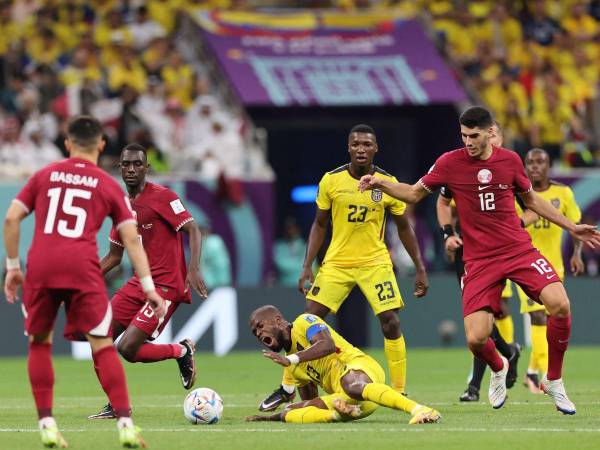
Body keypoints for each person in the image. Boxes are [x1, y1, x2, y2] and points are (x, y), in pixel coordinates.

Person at [359, 106, 600, 414]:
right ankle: (499, 366)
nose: (468, 142)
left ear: (490, 133)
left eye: (473, 136)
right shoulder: (449, 163)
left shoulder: (510, 160)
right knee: (476, 339)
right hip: (480, 260)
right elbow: (413, 194)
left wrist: (571, 227)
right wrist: (380, 183)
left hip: (517, 250)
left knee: (560, 305)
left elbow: (531, 201)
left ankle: (553, 379)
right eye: (463, 135)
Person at [3, 116, 164, 448]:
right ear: (102, 144)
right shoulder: (107, 184)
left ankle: (47, 424)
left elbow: (12, 218)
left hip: (42, 266)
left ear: (67, 143)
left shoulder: (43, 176)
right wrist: (149, 287)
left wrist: (13, 266)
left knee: (40, 344)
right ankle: (125, 426)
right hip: (82, 267)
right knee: (102, 344)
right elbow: (131, 239)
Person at [259, 124, 429, 412]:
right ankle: (289, 387)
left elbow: (404, 228)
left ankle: (400, 391)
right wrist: (307, 265)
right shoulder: (331, 181)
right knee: (305, 322)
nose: (361, 149)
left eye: (366, 144)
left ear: (376, 149)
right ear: (348, 148)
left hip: (375, 262)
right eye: (355, 144)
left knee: (391, 321)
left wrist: (420, 267)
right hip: (337, 263)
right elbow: (320, 224)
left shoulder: (387, 182)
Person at [88, 143, 208, 420]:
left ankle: (181, 350)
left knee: (127, 348)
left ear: (146, 167)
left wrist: (193, 268)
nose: (131, 169)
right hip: (138, 284)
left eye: (137, 164)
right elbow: (114, 256)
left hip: (166, 285)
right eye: (126, 164)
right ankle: (117, 405)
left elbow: (193, 228)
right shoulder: (119, 207)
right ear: (119, 168)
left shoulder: (163, 197)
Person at [436, 121, 521, 402]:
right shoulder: (461, 166)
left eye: (494, 134)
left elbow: (531, 206)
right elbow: (443, 202)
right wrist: (449, 234)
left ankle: (478, 383)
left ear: (497, 137)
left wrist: (516, 226)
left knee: (494, 312)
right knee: (479, 318)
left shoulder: (509, 170)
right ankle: (507, 353)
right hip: (472, 252)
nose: (486, 139)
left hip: (509, 252)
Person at [246, 305, 441, 424]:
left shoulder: (304, 321)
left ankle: (420, 410)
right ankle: (337, 415)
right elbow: (312, 403)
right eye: (255, 333)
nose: (259, 334)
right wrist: (275, 416)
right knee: (291, 412)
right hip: (355, 403)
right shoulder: (292, 367)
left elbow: (327, 344)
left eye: (261, 326)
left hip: (361, 370)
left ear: (278, 321)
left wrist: (293, 359)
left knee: (352, 385)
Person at [518, 148, 583, 393]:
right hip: (524, 266)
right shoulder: (519, 195)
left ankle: (533, 371)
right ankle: (548, 379)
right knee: (536, 317)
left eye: (540, 162)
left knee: (550, 320)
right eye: (530, 162)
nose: (535, 167)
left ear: (549, 165)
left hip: (555, 268)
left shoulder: (562, 192)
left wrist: (576, 254)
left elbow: (575, 224)